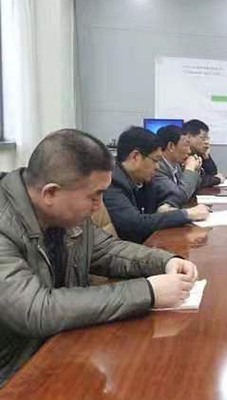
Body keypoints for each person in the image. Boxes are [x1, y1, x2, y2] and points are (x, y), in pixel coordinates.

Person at [0, 129, 200, 385]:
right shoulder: (5, 225)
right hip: (16, 374)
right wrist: (148, 292)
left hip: (63, 349)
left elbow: (106, 249)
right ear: (50, 193)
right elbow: (36, 310)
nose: (99, 206)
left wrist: (165, 261)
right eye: (94, 196)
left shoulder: (65, 213)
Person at [104, 127, 208, 244]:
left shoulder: (144, 179)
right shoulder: (111, 182)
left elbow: (173, 195)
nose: (158, 166)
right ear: (135, 157)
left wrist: (166, 205)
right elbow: (135, 223)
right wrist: (186, 214)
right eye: (156, 160)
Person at [153, 125, 202, 208]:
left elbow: (194, 188)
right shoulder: (157, 168)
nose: (189, 151)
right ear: (171, 146)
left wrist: (195, 169)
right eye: (186, 145)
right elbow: (181, 196)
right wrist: (190, 168)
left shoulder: (176, 165)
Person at [183, 119, 226, 187]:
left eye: (207, 138)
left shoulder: (197, 153)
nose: (207, 142)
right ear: (189, 137)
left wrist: (206, 157)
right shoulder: (181, 154)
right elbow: (193, 181)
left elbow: (213, 174)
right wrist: (217, 180)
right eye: (203, 138)